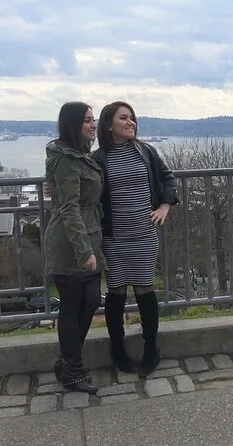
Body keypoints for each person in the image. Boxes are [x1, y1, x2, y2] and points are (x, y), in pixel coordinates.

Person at [92, 101, 178, 377]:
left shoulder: (146, 151)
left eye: (132, 118)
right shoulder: (97, 159)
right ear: (109, 125)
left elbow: (168, 178)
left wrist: (164, 206)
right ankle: (118, 350)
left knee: (145, 289)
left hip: (144, 235)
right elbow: (81, 186)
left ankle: (151, 349)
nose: (131, 122)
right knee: (115, 292)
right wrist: (52, 184)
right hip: (113, 238)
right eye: (124, 118)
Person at [44, 102, 105, 393]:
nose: (93, 125)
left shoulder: (81, 155)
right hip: (70, 243)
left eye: (94, 120)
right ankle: (72, 369)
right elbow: (69, 208)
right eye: (87, 121)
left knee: (91, 301)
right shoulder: (67, 159)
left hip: (89, 235)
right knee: (72, 306)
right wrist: (83, 251)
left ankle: (68, 361)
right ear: (72, 125)